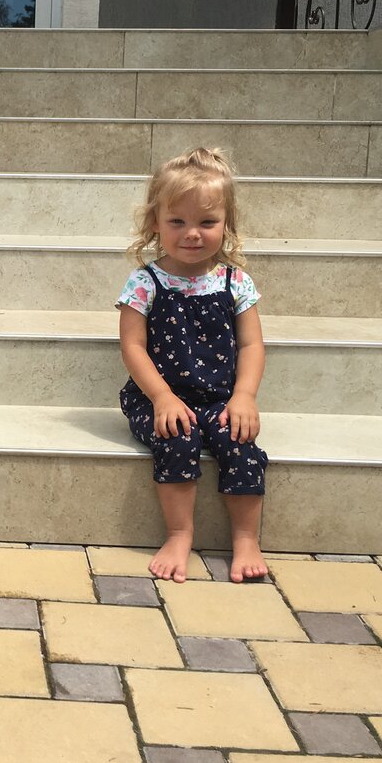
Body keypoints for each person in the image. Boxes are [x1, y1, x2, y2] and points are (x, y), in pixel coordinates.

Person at [117, 147, 268, 584]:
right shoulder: (145, 282)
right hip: (156, 398)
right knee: (177, 439)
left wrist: (244, 396)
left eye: (207, 222)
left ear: (227, 224)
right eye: (177, 222)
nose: (192, 234)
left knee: (241, 445)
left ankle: (246, 538)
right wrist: (161, 397)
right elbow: (132, 347)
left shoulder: (235, 282)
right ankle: (179, 534)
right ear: (155, 223)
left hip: (220, 397)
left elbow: (252, 343)